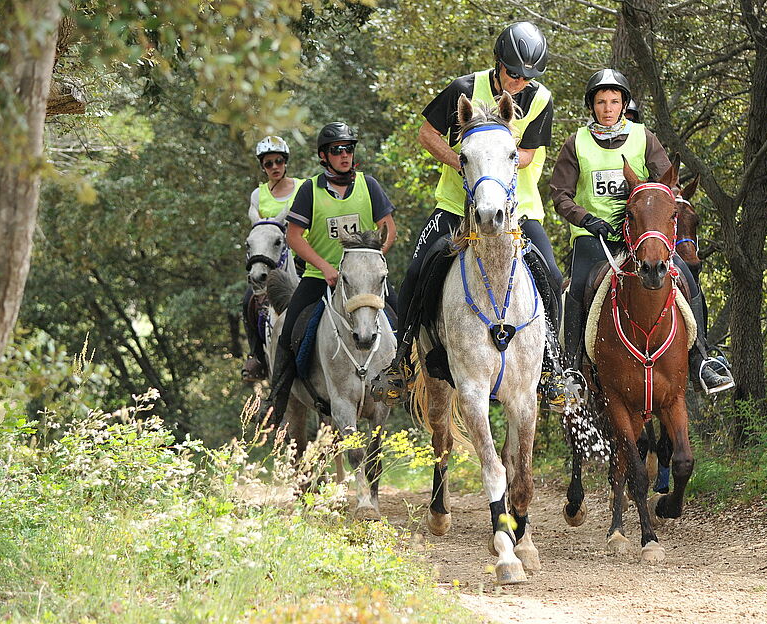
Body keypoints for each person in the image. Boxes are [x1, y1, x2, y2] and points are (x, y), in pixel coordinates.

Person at [377, 21, 572, 406]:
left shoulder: (541, 98)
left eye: (526, 76)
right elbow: (426, 135)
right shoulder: (463, 90)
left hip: (517, 205)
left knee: (550, 274)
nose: (518, 82)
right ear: (497, 63)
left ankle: (554, 369)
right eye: (512, 73)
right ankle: (400, 362)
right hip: (456, 203)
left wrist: (496, 163)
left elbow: (530, 153)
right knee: (417, 272)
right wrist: (464, 164)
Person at [550, 68, 734, 394]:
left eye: (614, 101)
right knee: (577, 289)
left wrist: (659, 215)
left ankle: (702, 360)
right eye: (601, 102)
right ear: (591, 106)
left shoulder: (643, 137)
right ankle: (572, 371)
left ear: (624, 105)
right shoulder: (575, 143)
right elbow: (560, 194)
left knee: (688, 279)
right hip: (595, 237)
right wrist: (586, 218)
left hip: (643, 234)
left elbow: (667, 180)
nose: (607, 108)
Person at [260, 122, 398, 422]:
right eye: (337, 151)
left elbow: (389, 230)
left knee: (402, 319)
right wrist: (324, 268)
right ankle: (276, 401)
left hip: (364, 279)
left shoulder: (369, 184)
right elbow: (294, 237)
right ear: (324, 156)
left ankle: (408, 386)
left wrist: (371, 262)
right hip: (319, 277)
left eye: (348, 149)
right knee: (289, 331)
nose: (345, 155)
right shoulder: (310, 190)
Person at [242, 136, 305, 382]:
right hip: (271, 262)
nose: (275, 167)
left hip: (303, 255)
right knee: (248, 300)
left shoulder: (303, 188)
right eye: (269, 163)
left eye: (278, 161)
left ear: (285, 162)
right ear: (263, 167)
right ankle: (257, 357)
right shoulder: (258, 196)